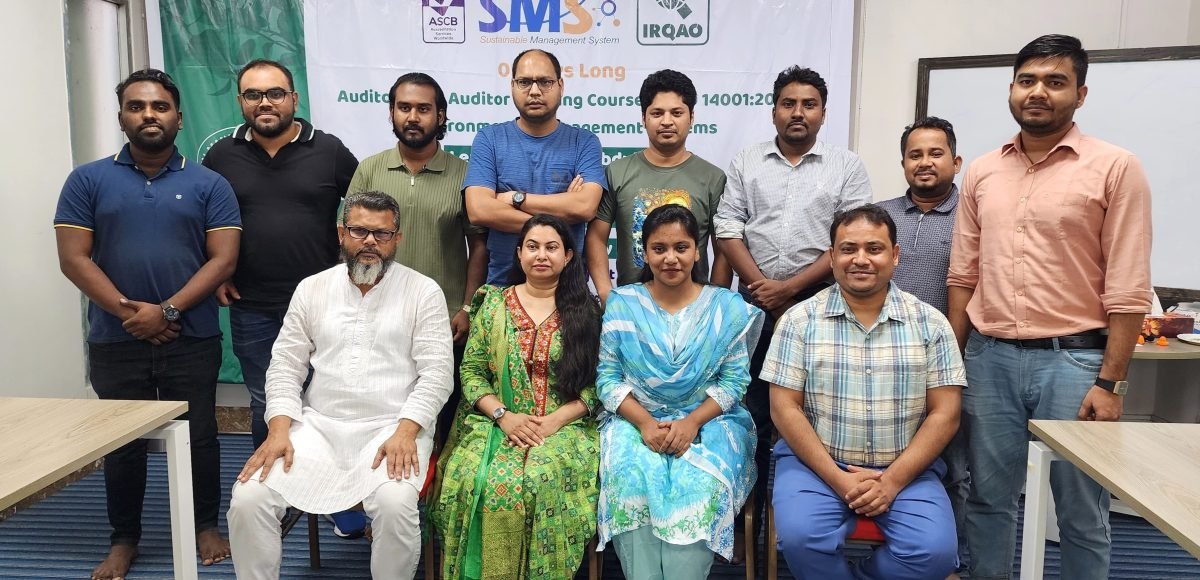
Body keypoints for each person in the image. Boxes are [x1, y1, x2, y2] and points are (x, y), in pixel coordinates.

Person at [947, 34, 1153, 580]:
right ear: (1011, 89)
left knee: (1081, 511)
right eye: (1027, 80)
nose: (1038, 92)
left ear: (1080, 95)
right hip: (989, 361)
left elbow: (1129, 287)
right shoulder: (983, 171)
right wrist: (952, 365)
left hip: (1076, 364)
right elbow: (963, 275)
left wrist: (1111, 385)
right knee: (988, 500)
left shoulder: (1115, 167)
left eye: (1055, 82)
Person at [53, 68, 240, 580]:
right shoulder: (87, 180)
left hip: (190, 335)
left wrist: (168, 311)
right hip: (116, 338)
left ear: (179, 117)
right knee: (122, 442)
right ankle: (124, 540)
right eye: (136, 106)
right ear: (121, 117)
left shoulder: (210, 184)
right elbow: (74, 259)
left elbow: (223, 260)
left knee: (201, 435)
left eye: (160, 106)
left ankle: (205, 526)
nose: (149, 115)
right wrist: (132, 314)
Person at [226, 191, 454, 580]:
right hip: (318, 427)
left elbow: (437, 373)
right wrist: (278, 430)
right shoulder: (312, 288)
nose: (370, 242)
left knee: (396, 503)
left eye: (382, 234)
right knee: (249, 497)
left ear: (397, 239)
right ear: (341, 234)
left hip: (392, 428)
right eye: (359, 231)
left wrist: (406, 431)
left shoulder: (423, 291)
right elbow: (285, 365)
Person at [713, 65, 872, 551]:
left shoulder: (846, 166)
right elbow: (727, 226)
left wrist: (789, 290)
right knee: (750, 416)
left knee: (811, 417)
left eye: (808, 104)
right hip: (753, 306)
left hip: (821, 307)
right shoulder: (747, 160)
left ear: (823, 112)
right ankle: (747, 533)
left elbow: (850, 240)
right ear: (774, 110)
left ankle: (804, 530)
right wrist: (763, 288)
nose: (797, 112)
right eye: (788, 103)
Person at [764, 205, 964, 580]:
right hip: (816, 465)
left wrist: (892, 481)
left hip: (904, 468)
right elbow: (784, 408)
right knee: (801, 538)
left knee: (934, 554)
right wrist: (838, 478)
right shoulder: (798, 321)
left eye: (874, 249)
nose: (860, 259)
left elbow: (946, 413)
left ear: (895, 255)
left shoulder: (931, 323)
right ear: (831, 256)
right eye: (848, 249)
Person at [595, 204, 761, 579]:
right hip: (634, 419)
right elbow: (607, 379)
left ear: (697, 251)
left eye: (681, 247)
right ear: (644, 252)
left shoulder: (725, 307)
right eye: (659, 248)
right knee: (630, 479)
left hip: (710, 421)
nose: (670, 258)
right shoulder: (624, 304)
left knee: (699, 486)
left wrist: (691, 423)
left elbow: (734, 382)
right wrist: (645, 424)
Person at [432, 214, 601, 580]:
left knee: (540, 478)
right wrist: (503, 416)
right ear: (520, 253)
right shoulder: (494, 304)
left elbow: (597, 383)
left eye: (552, 247)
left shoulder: (587, 311)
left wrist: (554, 421)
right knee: (473, 479)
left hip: (564, 426)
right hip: (495, 421)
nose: (542, 255)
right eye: (533, 246)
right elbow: (471, 372)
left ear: (568, 256)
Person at [203, 58, 358, 451]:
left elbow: (365, 215)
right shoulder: (221, 155)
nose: (265, 103)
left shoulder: (329, 150)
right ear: (241, 101)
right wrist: (217, 274)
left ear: (293, 98)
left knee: (322, 401)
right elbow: (202, 221)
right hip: (250, 305)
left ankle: (321, 483)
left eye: (275, 93)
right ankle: (272, 482)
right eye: (253, 95)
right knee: (266, 400)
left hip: (322, 304)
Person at [349, 72, 488, 449]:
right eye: (404, 107)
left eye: (423, 109)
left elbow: (478, 246)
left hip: (444, 319)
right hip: (378, 314)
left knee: (443, 419)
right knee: (381, 415)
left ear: (440, 116)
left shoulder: (464, 174)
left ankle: (438, 486)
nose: (413, 116)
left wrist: (466, 307)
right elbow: (350, 241)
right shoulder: (370, 169)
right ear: (392, 113)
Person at [875, 116, 969, 569]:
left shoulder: (974, 214)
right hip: (881, 362)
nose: (925, 162)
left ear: (956, 161)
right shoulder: (881, 216)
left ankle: (952, 563)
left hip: (949, 360)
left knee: (953, 466)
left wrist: (955, 354)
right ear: (903, 164)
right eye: (915, 155)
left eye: (935, 153)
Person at [586, 69, 731, 305]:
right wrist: (606, 294)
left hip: (694, 307)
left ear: (691, 117)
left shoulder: (712, 178)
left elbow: (723, 250)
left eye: (676, 113)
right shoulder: (616, 173)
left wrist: (714, 302)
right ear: (644, 118)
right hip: (632, 305)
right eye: (657, 113)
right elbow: (596, 238)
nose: (667, 121)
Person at [463, 49, 607, 284]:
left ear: (560, 85)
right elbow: (479, 209)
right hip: (502, 287)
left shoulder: (583, 142)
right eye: (524, 82)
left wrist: (514, 199)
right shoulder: (489, 139)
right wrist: (559, 221)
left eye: (545, 82)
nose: (534, 91)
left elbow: (584, 206)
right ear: (512, 86)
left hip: (568, 290)